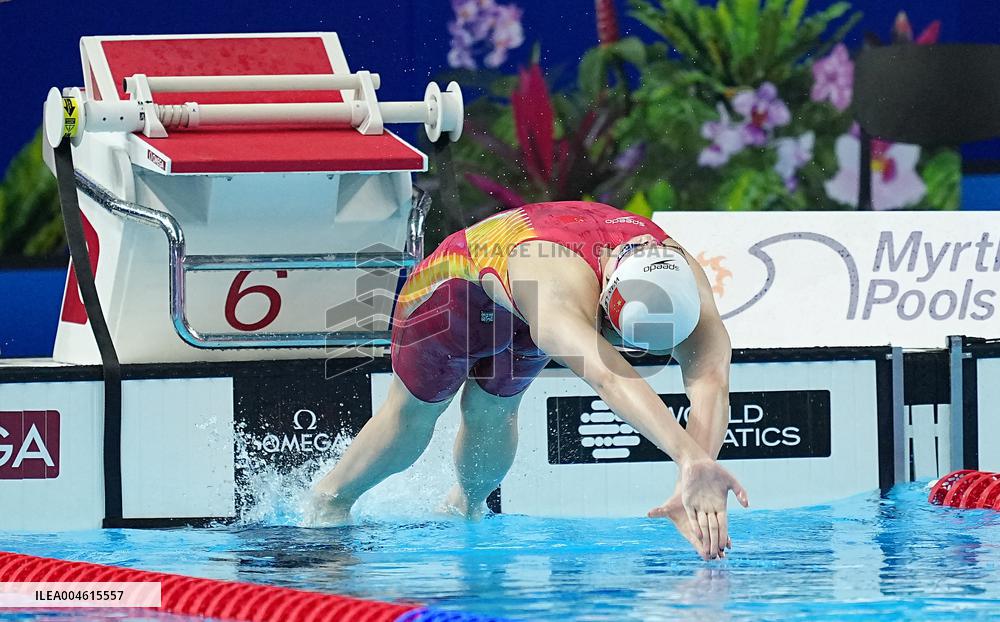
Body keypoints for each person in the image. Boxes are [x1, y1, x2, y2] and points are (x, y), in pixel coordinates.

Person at [313, 201, 748, 560]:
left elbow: (711, 380)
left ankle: (465, 508)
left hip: (528, 306)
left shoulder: (682, 278)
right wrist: (686, 457)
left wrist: (697, 470)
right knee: (413, 416)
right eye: (613, 335)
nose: (614, 344)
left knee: (495, 408)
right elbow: (610, 379)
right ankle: (329, 502)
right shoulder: (556, 286)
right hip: (454, 294)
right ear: (604, 301)